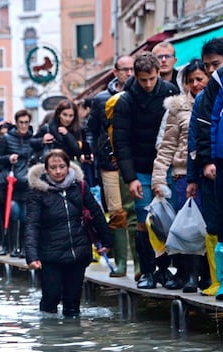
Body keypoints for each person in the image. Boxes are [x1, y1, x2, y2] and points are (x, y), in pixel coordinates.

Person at [111, 51, 179, 289]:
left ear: (158, 73)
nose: (148, 84)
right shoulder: (126, 101)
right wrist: (130, 178)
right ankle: (147, 271)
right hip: (139, 169)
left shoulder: (170, 91)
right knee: (143, 220)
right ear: (136, 77)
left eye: (152, 78)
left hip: (166, 164)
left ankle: (166, 270)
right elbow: (121, 143)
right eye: (143, 80)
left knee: (168, 219)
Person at [25, 150, 112, 317]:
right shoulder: (38, 193)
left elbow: (96, 214)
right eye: (53, 168)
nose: (58, 171)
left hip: (77, 252)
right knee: (51, 298)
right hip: (50, 254)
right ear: (46, 169)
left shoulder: (79, 186)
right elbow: (31, 225)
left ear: (67, 166)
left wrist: (107, 241)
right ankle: (48, 338)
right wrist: (32, 255)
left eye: (61, 167)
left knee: (73, 303)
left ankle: (73, 339)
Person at [152, 58, 210, 292]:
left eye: (199, 79)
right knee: (185, 227)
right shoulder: (178, 108)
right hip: (182, 175)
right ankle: (188, 275)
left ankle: (207, 276)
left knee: (208, 226)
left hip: (208, 174)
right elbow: (166, 146)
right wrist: (158, 179)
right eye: (190, 80)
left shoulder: (217, 102)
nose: (195, 84)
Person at [188, 36, 223, 296]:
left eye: (213, 64)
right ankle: (220, 279)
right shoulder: (203, 98)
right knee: (214, 223)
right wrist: (199, 169)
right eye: (207, 65)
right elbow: (197, 138)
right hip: (212, 168)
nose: (209, 70)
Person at [87, 54, 135, 278]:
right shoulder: (100, 99)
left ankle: (141, 264)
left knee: (135, 211)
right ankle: (122, 263)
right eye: (125, 69)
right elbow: (91, 128)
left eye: (132, 69)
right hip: (108, 161)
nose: (129, 73)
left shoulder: (138, 96)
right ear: (115, 72)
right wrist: (92, 150)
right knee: (116, 211)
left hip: (134, 160)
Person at [0, 109, 41, 256]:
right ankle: (10, 246)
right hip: (10, 184)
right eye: (21, 123)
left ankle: (24, 248)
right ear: (16, 123)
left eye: (26, 123)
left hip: (27, 183)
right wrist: (8, 158)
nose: (23, 126)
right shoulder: (6, 138)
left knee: (25, 216)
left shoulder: (33, 139)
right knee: (12, 213)